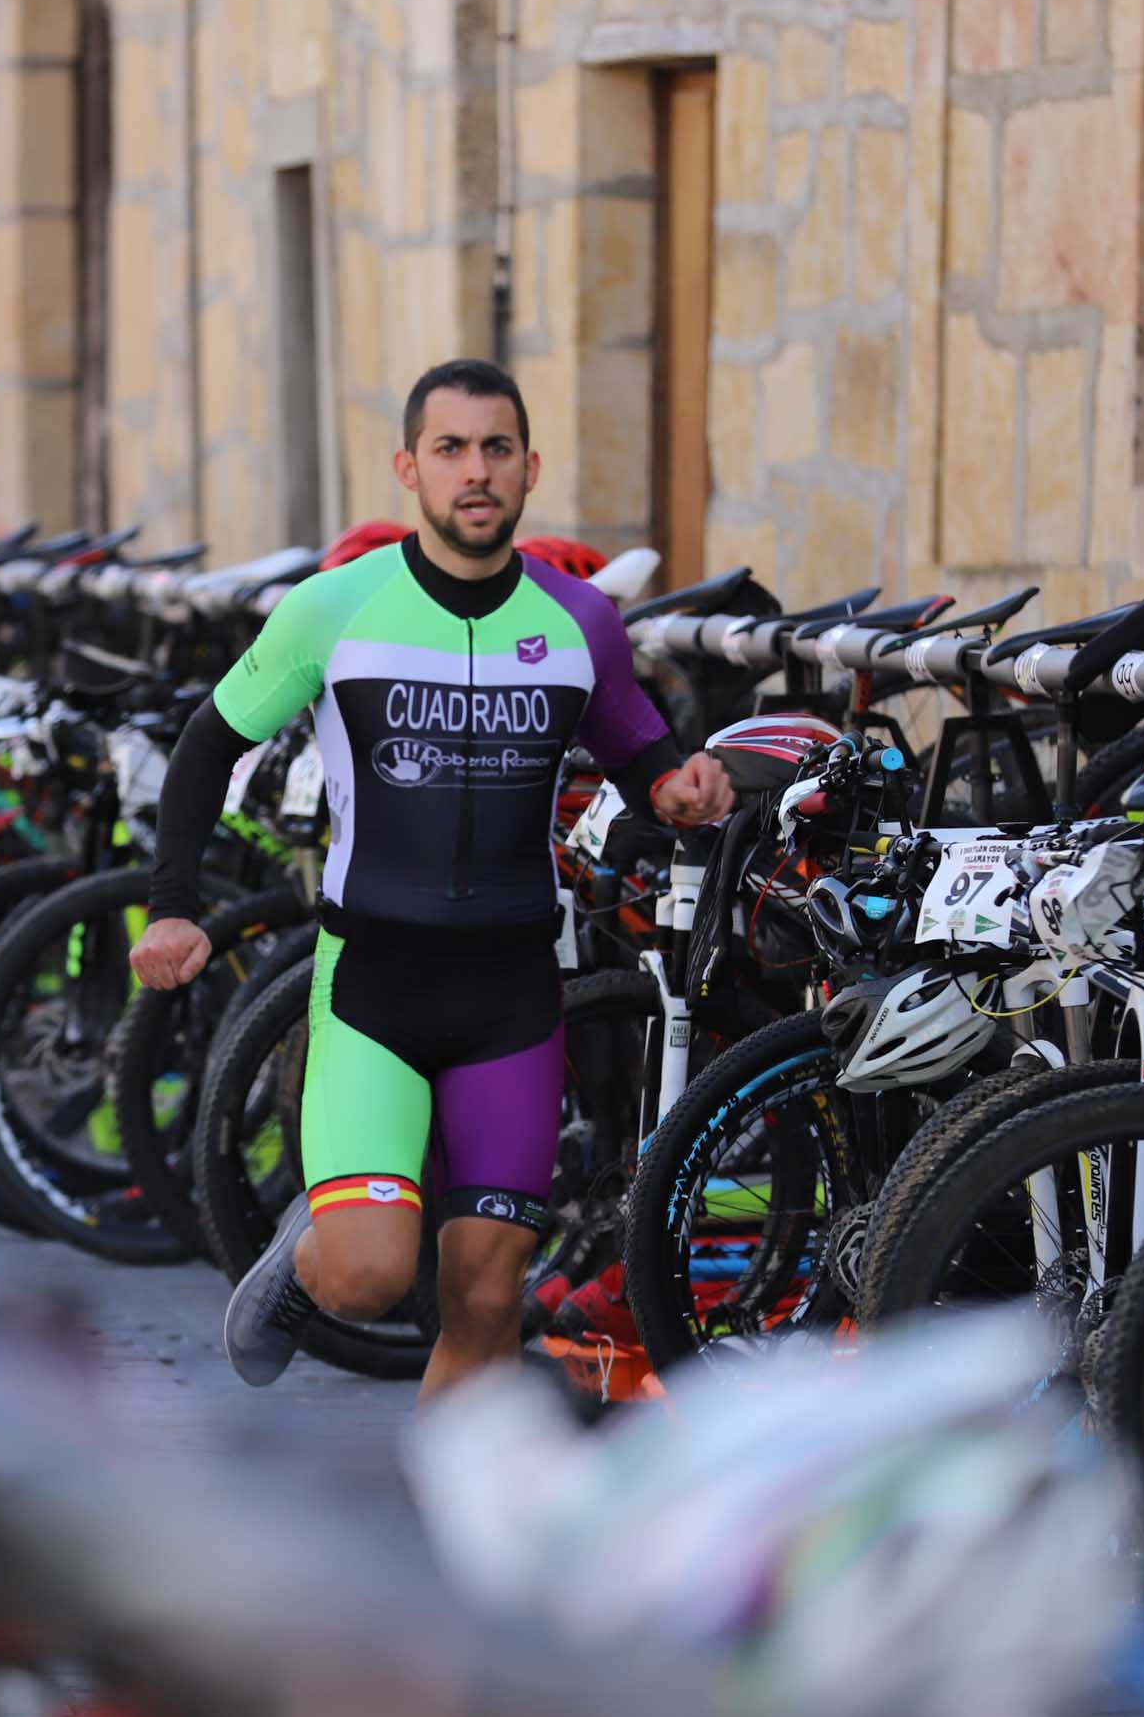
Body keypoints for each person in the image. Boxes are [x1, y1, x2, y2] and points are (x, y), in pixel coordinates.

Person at [132, 357, 732, 1400]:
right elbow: (204, 743)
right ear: (409, 466)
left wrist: (683, 788)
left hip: (510, 990)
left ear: (530, 467)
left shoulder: (580, 620)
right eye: (451, 448)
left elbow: (644, 761)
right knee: (369, 1275)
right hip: (374, 982)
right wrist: (174, 907)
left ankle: (441, 1543)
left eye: (497, 447)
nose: (476, 470)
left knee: (489, 1300)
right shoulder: (334, 609)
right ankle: (306, 1260)